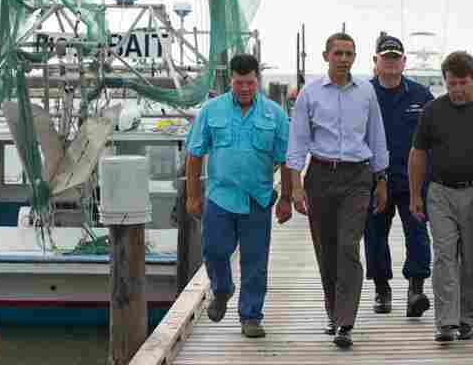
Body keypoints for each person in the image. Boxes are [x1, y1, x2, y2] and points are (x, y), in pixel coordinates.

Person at [286, 32, 389, 349]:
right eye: (339, 53)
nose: (344, 58)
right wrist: (296, 187)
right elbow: (297, 142)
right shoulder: (310, 94)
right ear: (326, 55)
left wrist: (381, 179)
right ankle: (333, 311)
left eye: (349, 53)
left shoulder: (366, 92)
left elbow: (377, 138)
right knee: (326, 250)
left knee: (348, 247)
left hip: (357, 177)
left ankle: (346, 322)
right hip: (320, 176)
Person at [186, 53, 293, 339]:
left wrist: (286, 199)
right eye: (238, 83)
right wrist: (192, 196)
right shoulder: (211, 111)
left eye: (249, 83)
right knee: (214, 251)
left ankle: (251, 316)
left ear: (257, 80)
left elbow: (287, 160)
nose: (244, 88)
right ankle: (222, 290)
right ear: (230, 81)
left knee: (255, 261)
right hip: (220, 198)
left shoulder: (275, 115)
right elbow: (195, 154)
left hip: (257, 199)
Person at [408, 50, 473, 342]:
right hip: (439, 192)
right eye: (451, 83)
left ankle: (467, 318)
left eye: (463, 83)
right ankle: (446, 321)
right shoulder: (432, 111)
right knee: (443, 256)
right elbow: (417, 155)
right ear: (445, 81)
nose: (457, 89)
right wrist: (415, 194)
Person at [364, 32, 434, 317]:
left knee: (417, 234)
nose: (391, 63)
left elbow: (436, 136)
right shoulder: (363, 93)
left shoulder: (421, 95)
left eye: (396, 58)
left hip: (413, 181)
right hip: (374, 179)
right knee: (374, 236)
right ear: (376, 61)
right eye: (385, 58)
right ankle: (382, 289)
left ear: (404, 62)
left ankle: (416, 289)